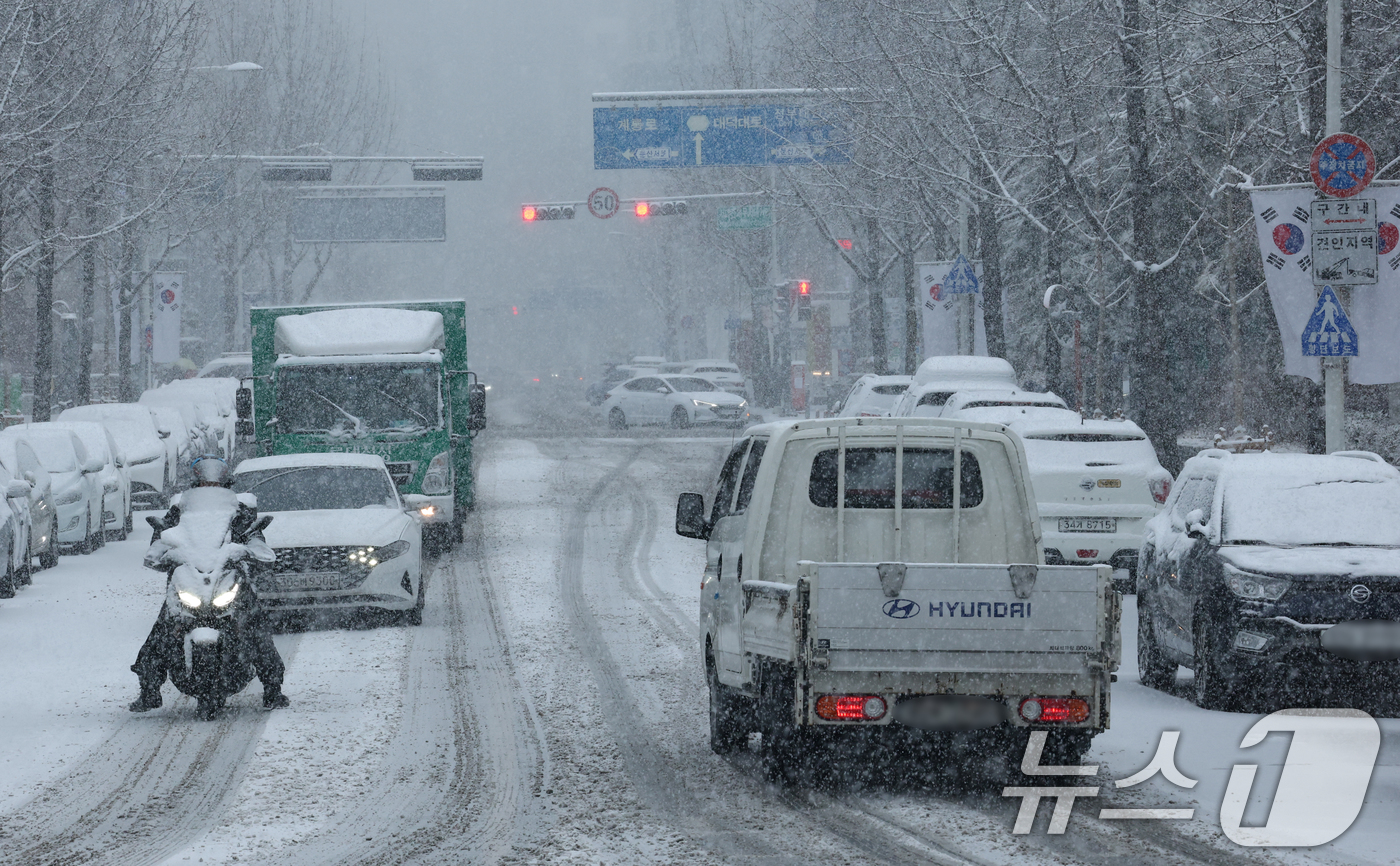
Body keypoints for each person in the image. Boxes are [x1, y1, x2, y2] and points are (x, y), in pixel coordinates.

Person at [128, 456, 289, 712]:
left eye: (214, 482)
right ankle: (149, 690)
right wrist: (159, 550)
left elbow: (253, 534)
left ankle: (273, 688)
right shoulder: (180, 510)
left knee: (256, 631)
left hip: (227, 575)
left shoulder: (239, 510)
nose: (209, 486)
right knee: (162, 632)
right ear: (195, 483)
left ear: (225, 483)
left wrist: (253, 548)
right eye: (204, 482)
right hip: (189, 577)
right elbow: (163, 535)